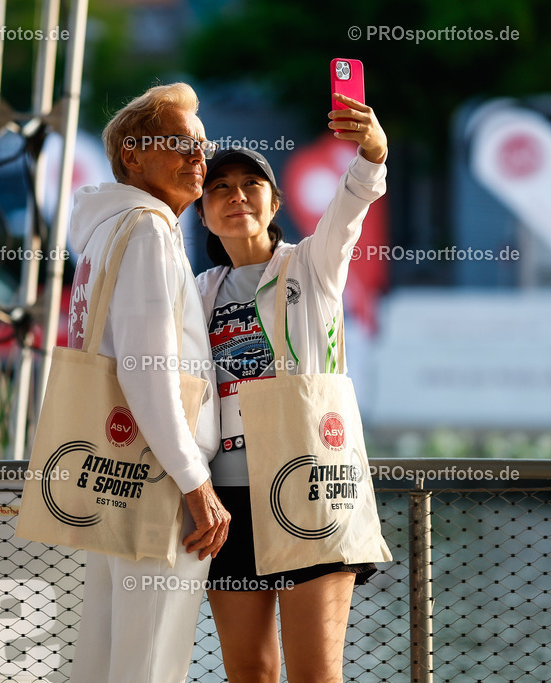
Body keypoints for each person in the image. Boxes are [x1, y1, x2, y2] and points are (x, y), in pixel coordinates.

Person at [194, 93, 389, 683]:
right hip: (225, 505)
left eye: (250, 184)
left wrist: (373, 152)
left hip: (312, 493)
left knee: (314, 676)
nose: (234, 195)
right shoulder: (194, 290)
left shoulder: (313, 265)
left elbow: (353, 202)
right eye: (218, 187)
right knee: (248, 673)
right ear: (201, 212)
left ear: (274, 202)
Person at [66, 82, 231, 683]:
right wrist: (194, 481)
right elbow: (148, 367)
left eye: (202, 146)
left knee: (109, 651)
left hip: (114, 465)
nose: (199, 159)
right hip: (160, 472)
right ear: (133, 154)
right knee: (152, 660)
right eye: (182, 144)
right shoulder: (150, 231)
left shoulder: (104, 232)